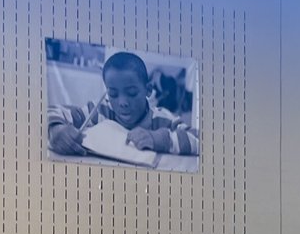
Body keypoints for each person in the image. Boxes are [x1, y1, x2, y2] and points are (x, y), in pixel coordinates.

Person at [47, 51, 199, 158]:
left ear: (148, 90)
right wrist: (56, 129)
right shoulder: (101, 110)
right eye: (113, 94)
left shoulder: (162, 119)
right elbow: (50, 112)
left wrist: (157, 139)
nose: (123, 103)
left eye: (132, 93)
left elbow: (198, 139)